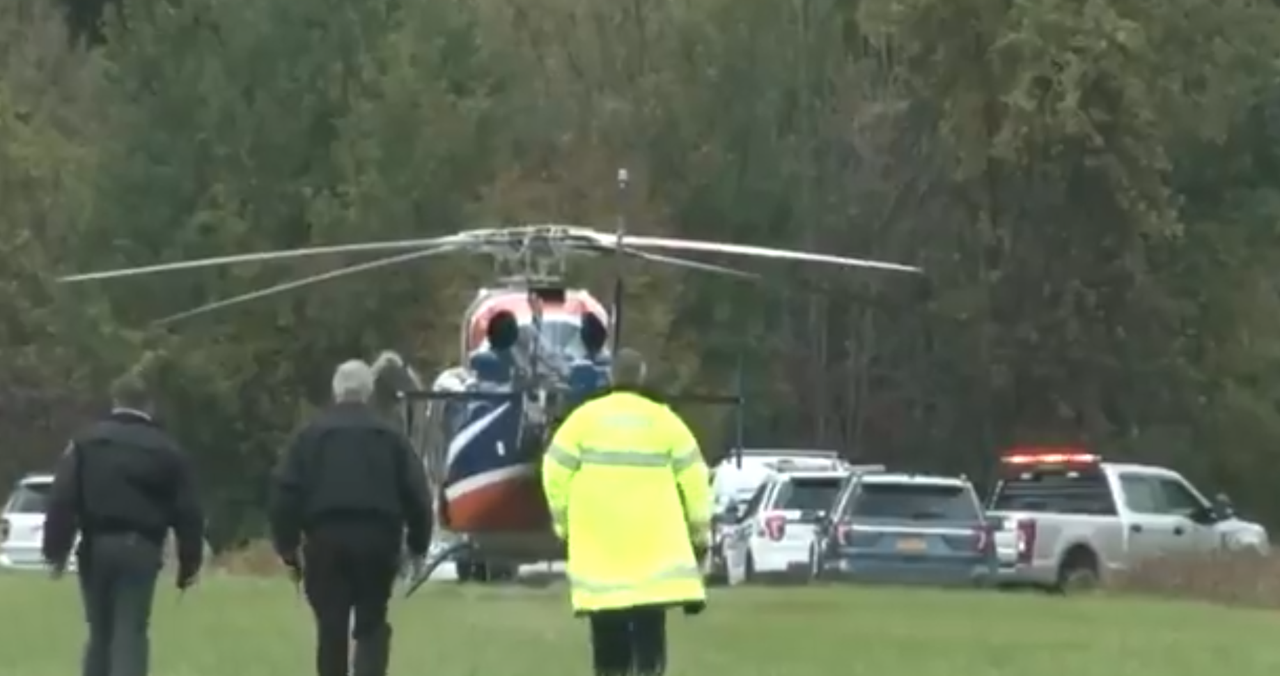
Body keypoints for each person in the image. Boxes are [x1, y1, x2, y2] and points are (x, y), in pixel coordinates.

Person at [542, 348, 712, 676]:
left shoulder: (584, 420)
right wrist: (699, 531)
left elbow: (553, 471)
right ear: (642, 376)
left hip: (601, 557)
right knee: (650, 634)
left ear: (610, 376)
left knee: (608, 640)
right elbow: (695, 477)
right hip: (653, 561)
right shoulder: (665, 421)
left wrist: (563, 522)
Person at [270, 359, 433, 676]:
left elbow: (285, 492)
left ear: (335, 391)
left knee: (331, 628)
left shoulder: (310, 436)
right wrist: (417, 544)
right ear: (370, 392)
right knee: (372, 623)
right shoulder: (391, 437)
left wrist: (287, 546)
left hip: (325, 540)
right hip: (379, 541)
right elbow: (417, 493)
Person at [42, 372, 205, 676]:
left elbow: (62, 497)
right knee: (130, 631)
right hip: (141, 548)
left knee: (99, 632)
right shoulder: (167, 450)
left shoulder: (85, 442)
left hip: (95, 546)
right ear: (149, 405)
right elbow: (188, 512)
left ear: (115, 401)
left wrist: (56, 551)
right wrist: (189, 563)